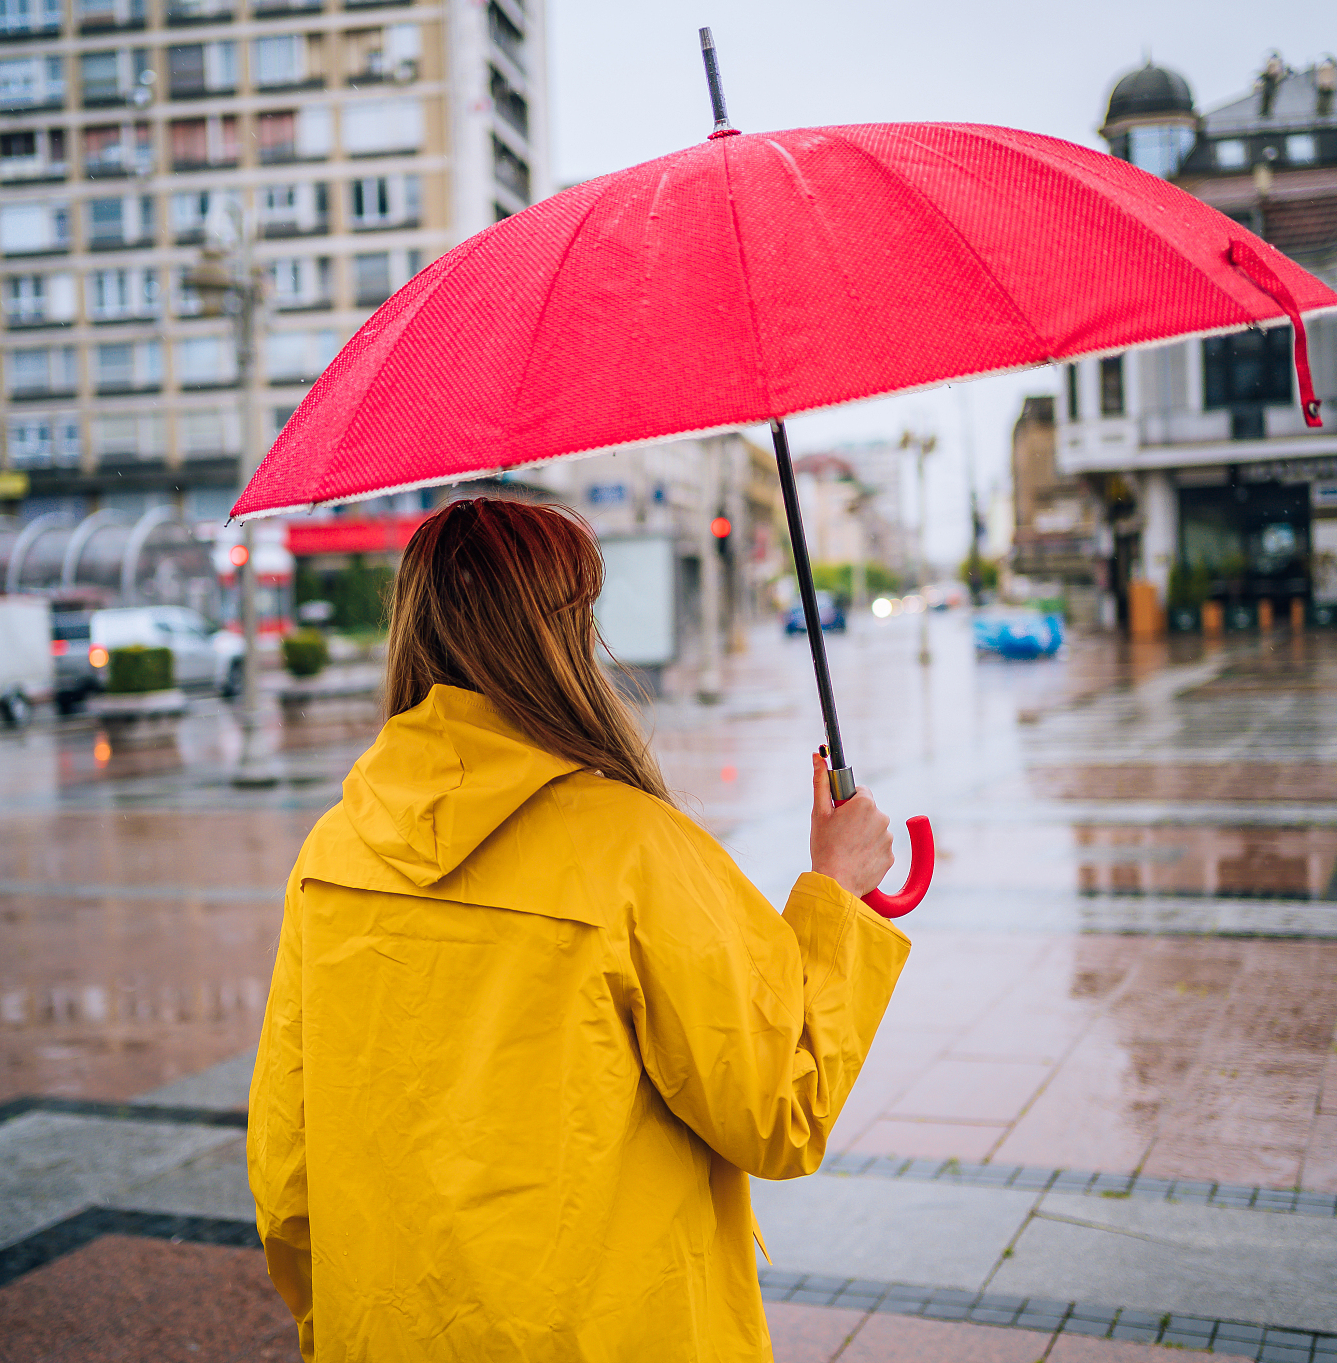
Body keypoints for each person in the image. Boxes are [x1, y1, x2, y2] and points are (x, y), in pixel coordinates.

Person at [247, 496, 910, 1361]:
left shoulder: (333, 852)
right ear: (560, 639)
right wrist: (835, 891)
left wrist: (337, 1326)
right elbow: (779, 1108)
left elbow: (286, 1168)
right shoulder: (634, 849)